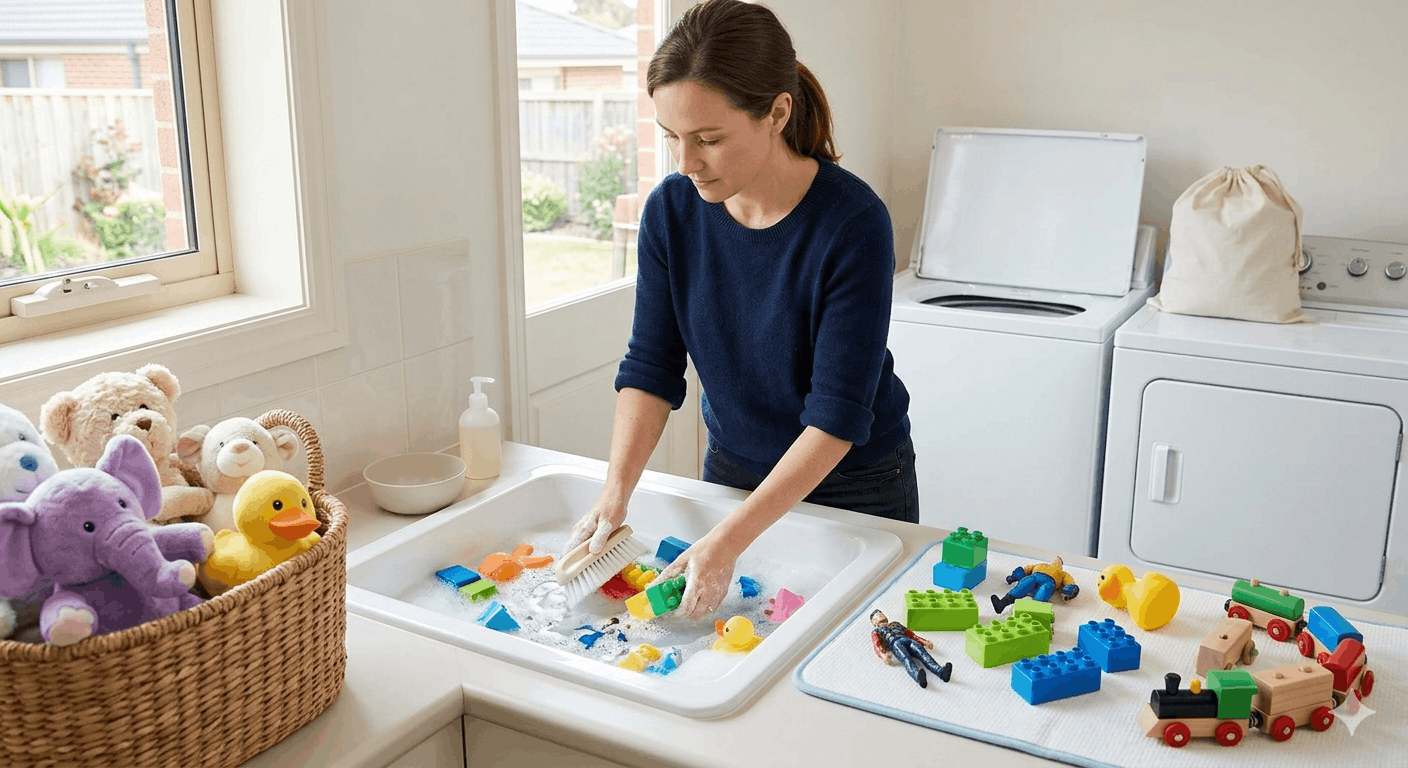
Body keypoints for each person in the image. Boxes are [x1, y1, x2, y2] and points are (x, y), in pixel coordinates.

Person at [565, 0, 914, 621]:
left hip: (854, 486)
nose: (686, 163)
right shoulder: (672, 212)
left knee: (846, 660)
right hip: (733, 471)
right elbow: (651, 365)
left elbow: (837, 416)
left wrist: (726, 541)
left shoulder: (853, 224)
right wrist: (614, 495)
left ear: (777, 112)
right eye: (671, 137)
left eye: (709, 139)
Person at [869, 609, 952, 689]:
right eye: (877, 616)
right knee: (906, 659)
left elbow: (912, 635)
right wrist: (883, 655)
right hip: (895, 643)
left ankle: (941, 672)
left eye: (881, 614)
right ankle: (918, 677)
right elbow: (877, 645)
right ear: (874, 622)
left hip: (909, 640)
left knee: (923, 654)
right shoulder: (876, 632)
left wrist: (924, 642)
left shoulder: (895, 624)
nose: (880, 615)